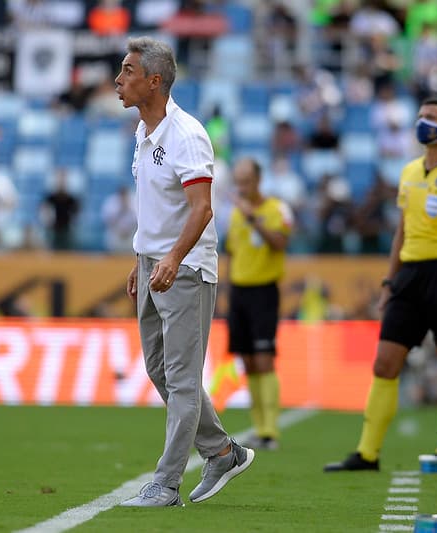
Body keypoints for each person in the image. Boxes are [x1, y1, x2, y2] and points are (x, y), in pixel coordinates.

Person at [115, 36, 254, 507]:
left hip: (186, 268)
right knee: (161, 371)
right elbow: (156, 206)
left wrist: (171, 259)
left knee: (181, 377)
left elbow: (201, 210)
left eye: (128, 71)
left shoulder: (187, 135)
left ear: (154, 81)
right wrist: (142, 256)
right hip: (152, 263)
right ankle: (220, 451)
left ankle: (166, 483)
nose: (119, 80)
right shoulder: (143, 132)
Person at [324, 97, 437, 472]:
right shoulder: (409, 172)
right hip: (409, 278)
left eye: (431, 118)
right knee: (384, 363)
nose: (422, 123)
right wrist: (389, 281)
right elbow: (401, 231)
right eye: (420, 117)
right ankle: (367, 453)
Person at [226, 158, 293, 450]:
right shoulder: (235, 215)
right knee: (249, 362)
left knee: (265, 359)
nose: (242, 187)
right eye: (238, 182)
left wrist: (253, 218)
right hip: (239, 292)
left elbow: (280, 243)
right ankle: (258, 427)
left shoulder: (276, 209)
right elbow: (233, 253)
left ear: (258, 180)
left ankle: (270, 431)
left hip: (264, 291)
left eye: (246, 181)